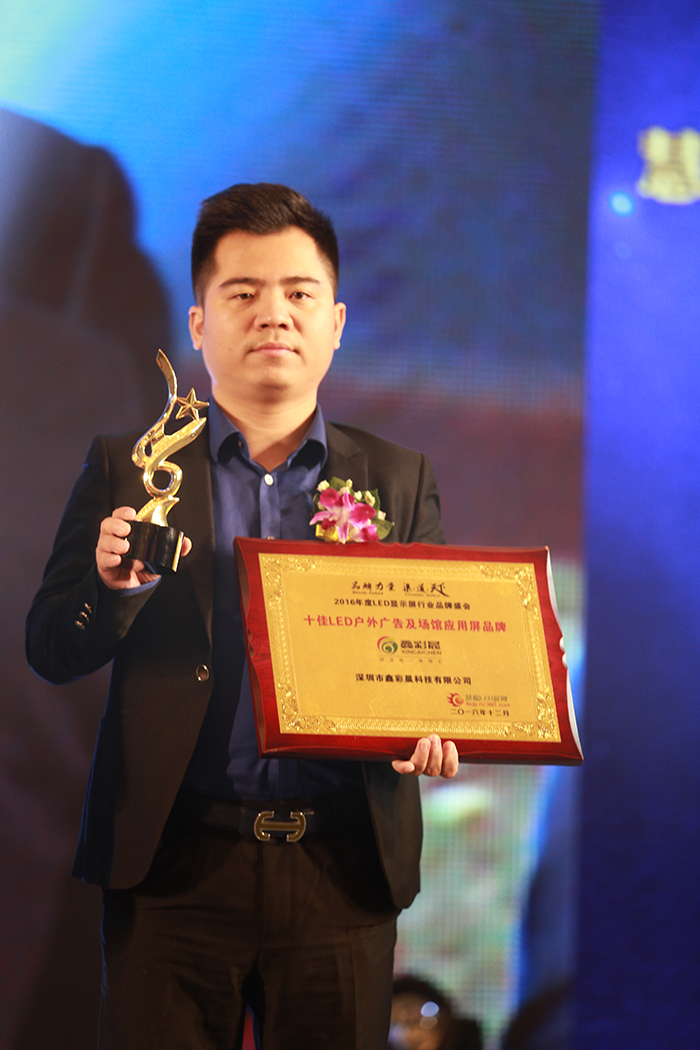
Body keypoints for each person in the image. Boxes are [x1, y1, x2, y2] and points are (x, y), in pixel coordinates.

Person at [26, 182, 458, 1050]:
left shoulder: (398, 478)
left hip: (342, 870)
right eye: (243, 293)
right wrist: (115, 588)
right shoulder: (128, 467)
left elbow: (427, 649)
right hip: (173, 864)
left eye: (299, 293)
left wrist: (437, 719)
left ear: (335, 322)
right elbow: (51, 648)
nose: (274, 315)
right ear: (198, 323)